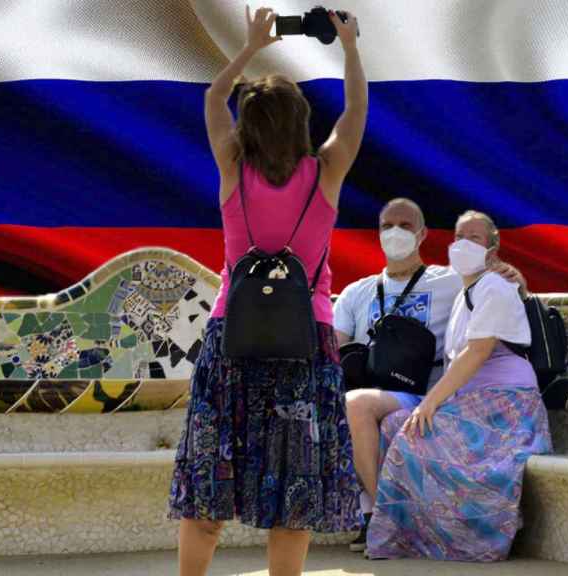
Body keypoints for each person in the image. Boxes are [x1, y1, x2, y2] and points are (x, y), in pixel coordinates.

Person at [167, 6, 366, 576]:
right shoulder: (326, 171)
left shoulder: (233, 168)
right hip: (306, 347)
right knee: (293, 492)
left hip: (233, 342)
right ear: (301, 123)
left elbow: (211, 99)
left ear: (248, 127)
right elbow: (355, 111)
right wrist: (349, 48)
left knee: (210, 485)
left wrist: (252, 47)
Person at [333, 198, 526, 552]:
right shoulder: (354, 293)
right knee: (352, 403)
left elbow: (500, 291)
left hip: (426, 394)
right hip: (374, 389)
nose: (396, 232)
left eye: (405, 226)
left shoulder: (449, 280)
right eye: (387, 225)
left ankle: (380, 516)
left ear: (422, 234)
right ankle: (379, 515)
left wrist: (513, 274)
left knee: (356, 406)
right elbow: (331, 348)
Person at [365, 210, 552, 562]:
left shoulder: (495, 286)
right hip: (473, 400)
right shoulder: (466, 289)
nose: (464, 244)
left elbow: (478, 352)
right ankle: (411, 536)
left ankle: (465, 540)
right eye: (459, 236)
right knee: (393, 425)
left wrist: (429, 402)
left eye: (475, 238)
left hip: (505, 405)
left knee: (413, 432)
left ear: (492, 250)